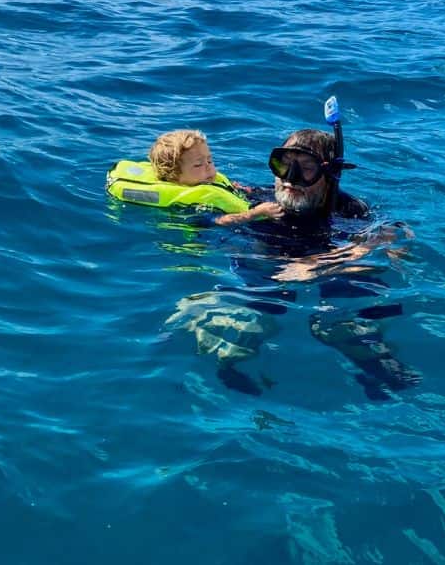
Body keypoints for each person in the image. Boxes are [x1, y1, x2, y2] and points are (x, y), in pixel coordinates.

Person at [177, 124, 422, 399]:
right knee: (252, 320)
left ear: (329, 174)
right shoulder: (256, 200)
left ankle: (376, 362)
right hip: (266, 266)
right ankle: (229, 371)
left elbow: (395, 232)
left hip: (328, 267)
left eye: (306, 168)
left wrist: (321, 263)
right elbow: (201, 220)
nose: (290, 178)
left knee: (340, 317)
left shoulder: (348, 211)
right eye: (283, 164)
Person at [148, 129, 284, 226]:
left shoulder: (207, 181)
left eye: (209, 160)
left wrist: (240, 189)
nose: (208, 167)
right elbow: (220, 221)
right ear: (174, 175)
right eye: (198, 165)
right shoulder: (191, 205)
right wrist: (255, 213)